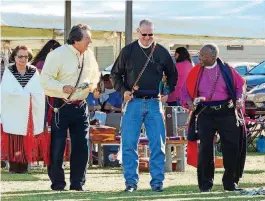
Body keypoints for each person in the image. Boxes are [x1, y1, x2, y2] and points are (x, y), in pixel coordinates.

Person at [111, 19, 177, 192]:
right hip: (133, 102)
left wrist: (167, 91)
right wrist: (124, 91)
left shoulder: (162, 52)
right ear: (137, 32)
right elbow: (115, 75)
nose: (147, 38)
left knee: (158, 145)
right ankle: (130, 183)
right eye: (144, 34)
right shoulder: (128, 51)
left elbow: (173, 75)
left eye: (151, 34)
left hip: (155, 102)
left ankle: (157, 183)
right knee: (129, 144)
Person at [40, 24, 100, 191]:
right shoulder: (57, 55)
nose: (90, 41)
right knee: (57, 146)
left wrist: (93, 86)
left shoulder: (89, 55)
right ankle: (58, 184)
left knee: (82, 146)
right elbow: (44, 81)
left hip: (81, 106)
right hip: (60, 105)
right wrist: (62, 88)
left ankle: (78, 184)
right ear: (76, 40)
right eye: (87, 38)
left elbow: (95, 74)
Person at [181, 44, 246, 192]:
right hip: (205, 112)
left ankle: (230, 183)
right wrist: (189, 102)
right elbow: (184, 90)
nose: (200, 57)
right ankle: (205, 185)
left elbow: (240, 85)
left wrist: (239, 98)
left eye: (203, 55)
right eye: (200, 54)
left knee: (231, 148)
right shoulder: (196, 70)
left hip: (226, 111)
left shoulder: (227, 69)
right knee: (205, 149)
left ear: (214, 56)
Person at [1, 45, 45, 173]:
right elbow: (5, 91)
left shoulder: (33, 71)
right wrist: (22, 95)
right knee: (13, 139)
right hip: (13, 111)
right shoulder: (9, 70)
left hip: (28, 112)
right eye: (20, 56)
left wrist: (25, 95)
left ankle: (24, 167)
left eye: (26, 57)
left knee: (26, 140)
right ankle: (14, 167)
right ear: (14, 57)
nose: (23, 59)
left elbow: (38, 91)